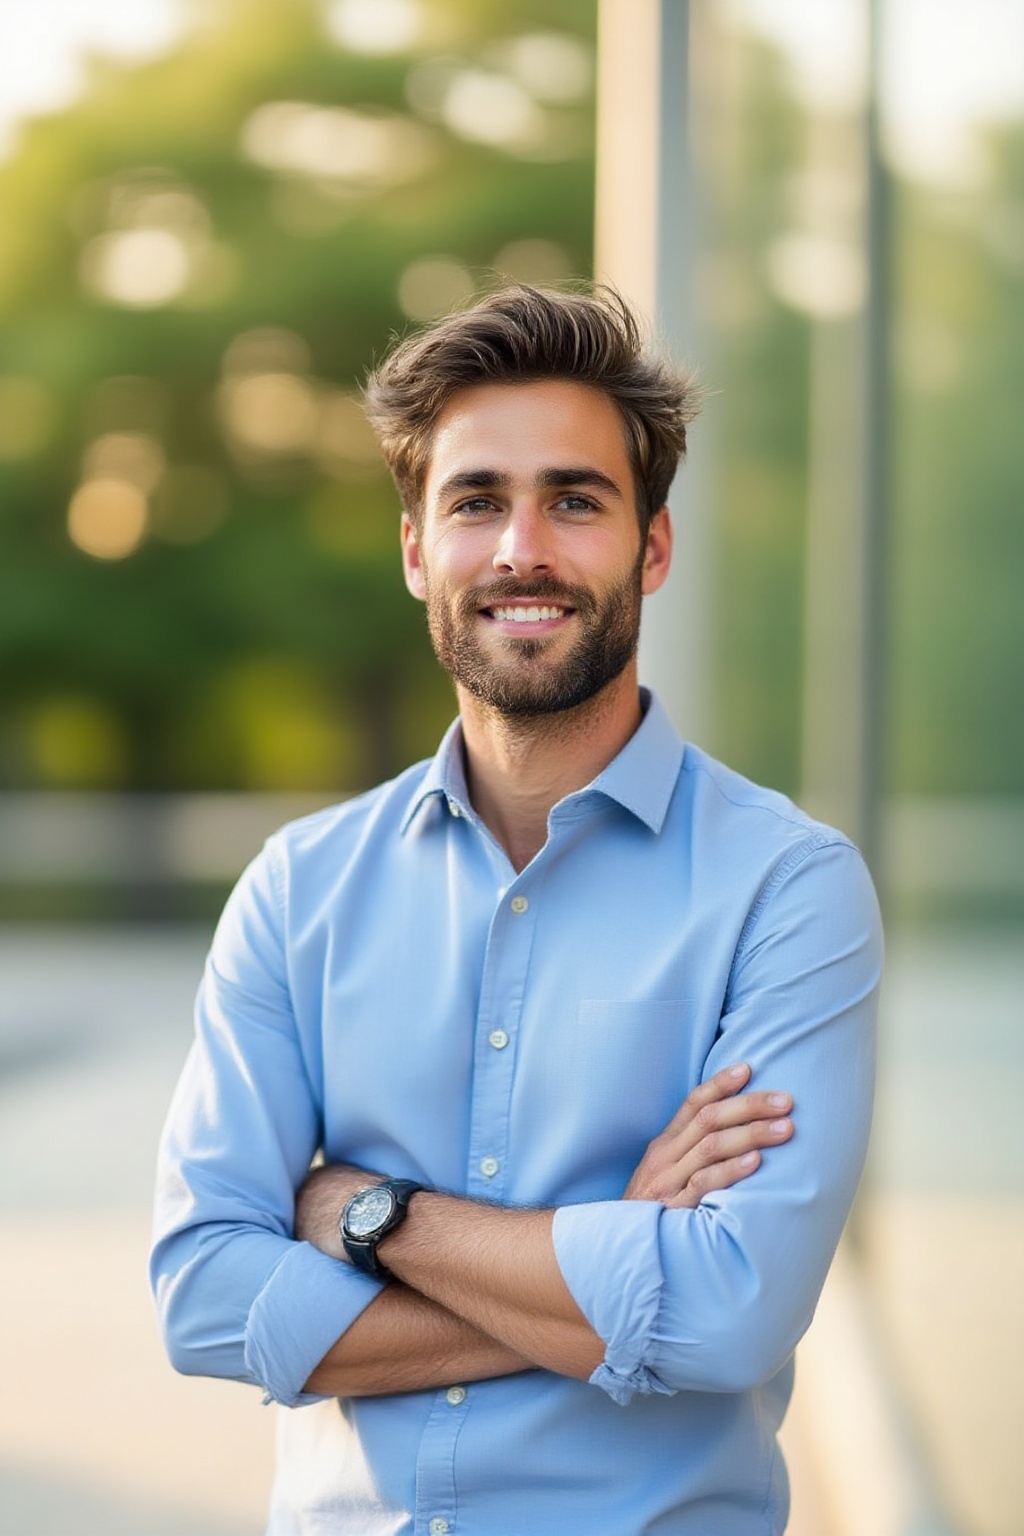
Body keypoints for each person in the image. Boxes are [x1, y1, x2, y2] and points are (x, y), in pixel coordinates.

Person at [151, 286, 881, 1535]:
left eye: (574, 500)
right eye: (476, 500)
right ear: (413, 548)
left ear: (651, 547)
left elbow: (726, 1314)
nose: (519, 550)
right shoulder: (300, 885)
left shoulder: (788, 888)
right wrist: (609, 1263)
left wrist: (367, 1216)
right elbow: (206, 1298)